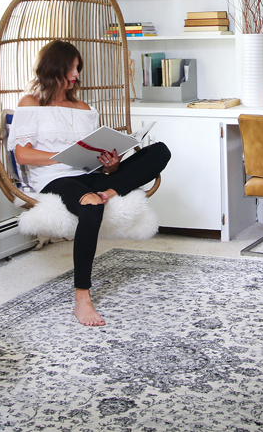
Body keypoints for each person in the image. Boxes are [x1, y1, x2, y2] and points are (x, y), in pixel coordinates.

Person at [9, 40, 170, 326]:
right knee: (91, 205)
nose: (76, 74)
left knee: (160, 151)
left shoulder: (84, 107)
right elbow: (23, 154)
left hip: (94, 175)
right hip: (56, 178)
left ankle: (110, 190)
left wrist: (112, 164)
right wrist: (64, 158)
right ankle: (82, 296)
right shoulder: (30, 104)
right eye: (71, 68)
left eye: (77, 68)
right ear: (53, 68)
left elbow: (100, 154)